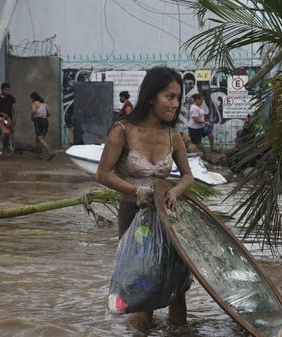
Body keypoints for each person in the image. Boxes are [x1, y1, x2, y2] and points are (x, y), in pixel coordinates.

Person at [97, 66, 194, 330]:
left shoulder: (174, 136)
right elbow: (103, 173)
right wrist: (134, 191)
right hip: (133, 218)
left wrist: (174, 191)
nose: (175, 104)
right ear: (151, 96)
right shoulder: (123, 130)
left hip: (170, 219)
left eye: (177, 98)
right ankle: (140, 328)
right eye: (169, 97)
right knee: (141, 283)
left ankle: (178, 330)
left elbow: (187, 176)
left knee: (177, 285)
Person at [0, 82, 17, 156]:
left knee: (8, 134)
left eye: (8, 90)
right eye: (6, 89)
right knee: (5, 133)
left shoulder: (11, 97)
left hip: (10, 119)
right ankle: (6, 150)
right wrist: (2, 114)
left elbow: (14, 109)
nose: (7, 91)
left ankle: (7, 149)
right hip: (1, 119)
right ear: (2, 89)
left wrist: (14, 119)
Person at [30, 92, 53, 159]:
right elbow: (49, 113)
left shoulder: (34, 103)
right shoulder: (44, 104)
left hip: (38, 121)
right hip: (45, 121)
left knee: (39, 138)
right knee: (38, 139)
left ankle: (49, 152)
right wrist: (44, 117)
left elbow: (34, 111)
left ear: (33, 98)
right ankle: (39, 155)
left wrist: (31, 117)